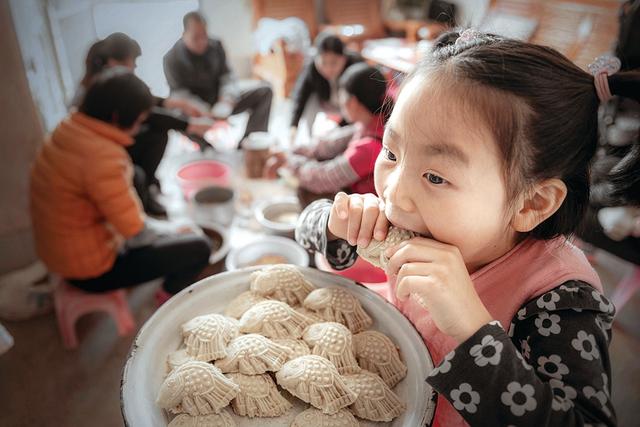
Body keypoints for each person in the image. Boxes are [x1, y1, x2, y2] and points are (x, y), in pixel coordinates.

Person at [294, 29, 639, 426]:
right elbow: (308, 232)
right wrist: (336, 224)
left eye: (436, 177)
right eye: (391, 152)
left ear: (531, 203)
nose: (394, 193)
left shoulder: (560, 300)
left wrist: (472, 330)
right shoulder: (411, 213)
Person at [31, 68, 212, 302]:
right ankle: (168, 294)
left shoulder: (67, 128)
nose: (139, 127)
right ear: (117, 117)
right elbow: (137, 234)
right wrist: (176, 229)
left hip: (58, 252)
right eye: (139, 121)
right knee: (200, 247)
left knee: (135, 174)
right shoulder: (103, 157)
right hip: (89, 271)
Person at [73, 32, 215, 216]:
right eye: (133, 62)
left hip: (98, 147)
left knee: (156, 132)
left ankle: (148, 186)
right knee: (154, 137)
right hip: (95, 151)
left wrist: (179, 106)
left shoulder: (102, 78)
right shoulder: (102, 87)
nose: (134, 67)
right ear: (115, 63)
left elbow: (140, 103)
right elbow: (146, 113)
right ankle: (144, 196)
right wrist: (189, 124)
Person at [264, 63, 388, 199]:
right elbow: (327, 144)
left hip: (363, 209)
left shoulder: (370, 148)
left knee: (305, 187)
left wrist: (288, 161)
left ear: (352, 101)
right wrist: (288, 153)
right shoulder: (370, 124)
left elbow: (323, 178)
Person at [163, 11, 273, 144]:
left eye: (204, 35)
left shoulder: (216, 45)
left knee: (265, 91)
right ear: (183, 34)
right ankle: (206, 146)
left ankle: (250, 142)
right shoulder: (171, 58)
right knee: (173, 115)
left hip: (220, 101)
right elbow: (179, 94)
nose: (202, 41)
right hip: (194, 108)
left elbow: (228, 77)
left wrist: (226, 100)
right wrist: (203, 111)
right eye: (196, 37)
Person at [289, 32, 363, 144]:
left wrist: (339, 130)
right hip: (326, 103)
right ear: (316, 58)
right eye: (323, 62)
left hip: (348, 107)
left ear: (344, 58)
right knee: (310, 98)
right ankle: (311, 140)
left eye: (334, 63)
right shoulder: (312, 67)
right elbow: (300, 95)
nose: (328, 69)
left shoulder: (355, 66)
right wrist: (293, 126)